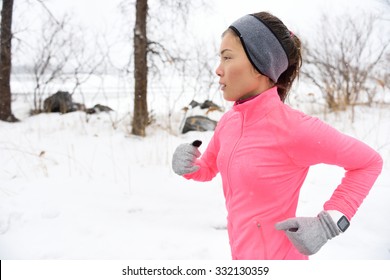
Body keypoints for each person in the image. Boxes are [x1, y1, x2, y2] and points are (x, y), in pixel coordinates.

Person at [172, 12, 383, 260]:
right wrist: (189, 166)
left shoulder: (295, 129)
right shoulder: (229, 121)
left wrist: (329, 223)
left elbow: (369, 163)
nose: (218, 70)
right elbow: (207, 167)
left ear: (261, 64)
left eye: (227, 57)